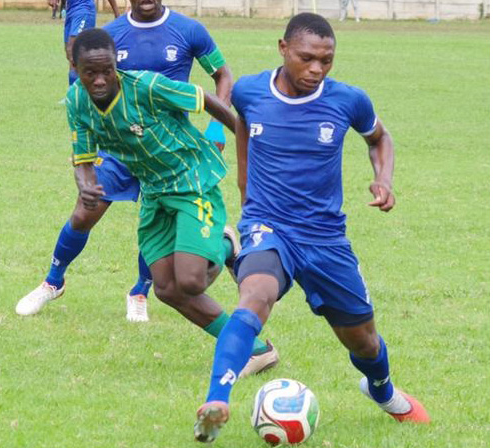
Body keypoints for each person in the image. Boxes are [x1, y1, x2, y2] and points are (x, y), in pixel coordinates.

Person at [193, 13, 430, 443]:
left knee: (365, 342)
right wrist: (247, 193)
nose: (317, 69)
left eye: (327, 60)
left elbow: (379, 137)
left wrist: (384, 179)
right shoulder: (249, 90)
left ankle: (383, 391)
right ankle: (216, 400)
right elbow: (244, 123)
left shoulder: (347, 100)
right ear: (283, 49)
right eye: (307, 58)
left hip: (325, 238)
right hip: (270, 227)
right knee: (256, 296)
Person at [59, 28, 279, 378]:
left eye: (107, 71)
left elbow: (205, 99)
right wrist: (86, 186)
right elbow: (83, 158)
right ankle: (255, 349)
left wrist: (245, 138)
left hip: (192, 180)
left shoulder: (146, 86)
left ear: (117, 64)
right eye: (90, 73)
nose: (100, 80)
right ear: (74, 66)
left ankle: (225, 245)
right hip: (154, 190)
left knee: (191, 282)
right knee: (165, 289)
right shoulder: (76, 102)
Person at [18, 0, 237, 324]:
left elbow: (222, 75)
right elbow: (86, 93)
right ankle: (53, 281)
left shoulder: (189, 29)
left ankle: (139, 292)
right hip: (119, 146)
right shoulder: (108, 36)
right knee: (85, 210)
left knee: (164, 225)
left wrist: (217, 129)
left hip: (168, 148)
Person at [48, 0, 120, 87]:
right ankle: (80, 90)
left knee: (73, 52)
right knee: (70, 54)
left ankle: (76, 93)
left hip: (84, 9)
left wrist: (117, 14)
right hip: (71, 10)